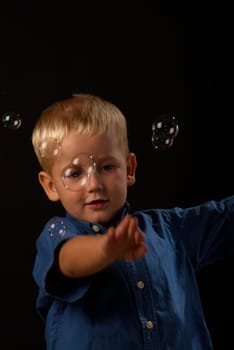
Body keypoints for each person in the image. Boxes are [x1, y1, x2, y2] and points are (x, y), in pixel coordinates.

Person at [32, 93, 234, 350]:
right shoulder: (58, 232)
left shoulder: (170, 230)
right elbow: (68, 261)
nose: (94, 184)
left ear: (129, 169)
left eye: (107, 167)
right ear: (50, 186)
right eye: (74, 173)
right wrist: (105, 250)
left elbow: (225, 217)